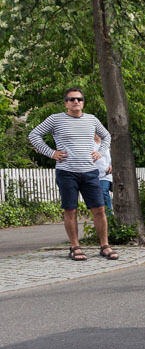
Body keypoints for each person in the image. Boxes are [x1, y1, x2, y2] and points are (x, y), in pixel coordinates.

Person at [29, 87, 117, 261]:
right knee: (70, 210)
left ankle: (104, 245)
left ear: (83, 102)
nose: (75, 101)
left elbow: (106, 136)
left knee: (99, 209)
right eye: (71, 99)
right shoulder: (56, 119)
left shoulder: (91, 120)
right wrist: (51, 153)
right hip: (67, 172)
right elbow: (34, 135)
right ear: (66, 103)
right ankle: (75, 246)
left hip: (90, 172)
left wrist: (100, 151)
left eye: (79, 99)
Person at [93, 133, 112, 217]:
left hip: (106, 174)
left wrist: (112, 165)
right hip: (94, 174)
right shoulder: (90, 145)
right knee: (97, 196)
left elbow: (111, 158)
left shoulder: (105, 145)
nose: (96, 134)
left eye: (97, 133)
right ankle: (100, 215)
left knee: (104, 192)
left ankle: (109, 215)